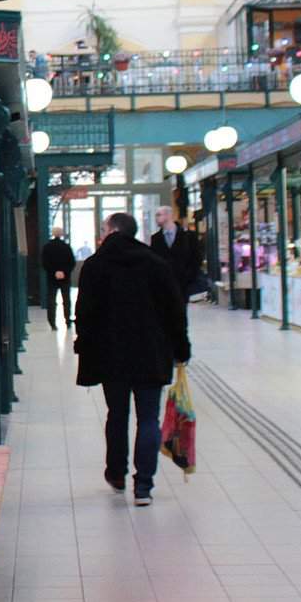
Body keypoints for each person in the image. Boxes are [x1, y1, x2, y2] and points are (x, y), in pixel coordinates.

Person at [75, 211, 191, 505]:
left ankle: (116, 474)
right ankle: (143, 486)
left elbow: (84, 314)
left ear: (114, 230)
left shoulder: (95, 266)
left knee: (117, 414)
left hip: (110, 355)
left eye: (104, 228)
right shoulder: (155, 263)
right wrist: (181, 349)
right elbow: (175, 311)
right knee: (148, 418)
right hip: (151, 353)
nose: (101, 233)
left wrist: (84, 347)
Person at [150, 205, 203, 296]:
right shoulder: (155, 238)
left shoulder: (188, 236)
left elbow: (197, 258)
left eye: (159, 215)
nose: (156, 218)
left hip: (185, 284)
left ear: (168, 216)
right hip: (164, 286)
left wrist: (190, 277)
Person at [39, 226, 76, 328]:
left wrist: (54, 272)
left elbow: (44, 262)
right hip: (65, 278)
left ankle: (52, 323)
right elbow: (72, 262)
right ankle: (67, 321)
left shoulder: (47, 247)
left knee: (51, 300)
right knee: (66, 300)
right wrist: (64, 272)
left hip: (52, 278)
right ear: (61, 234)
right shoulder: (66, 247)